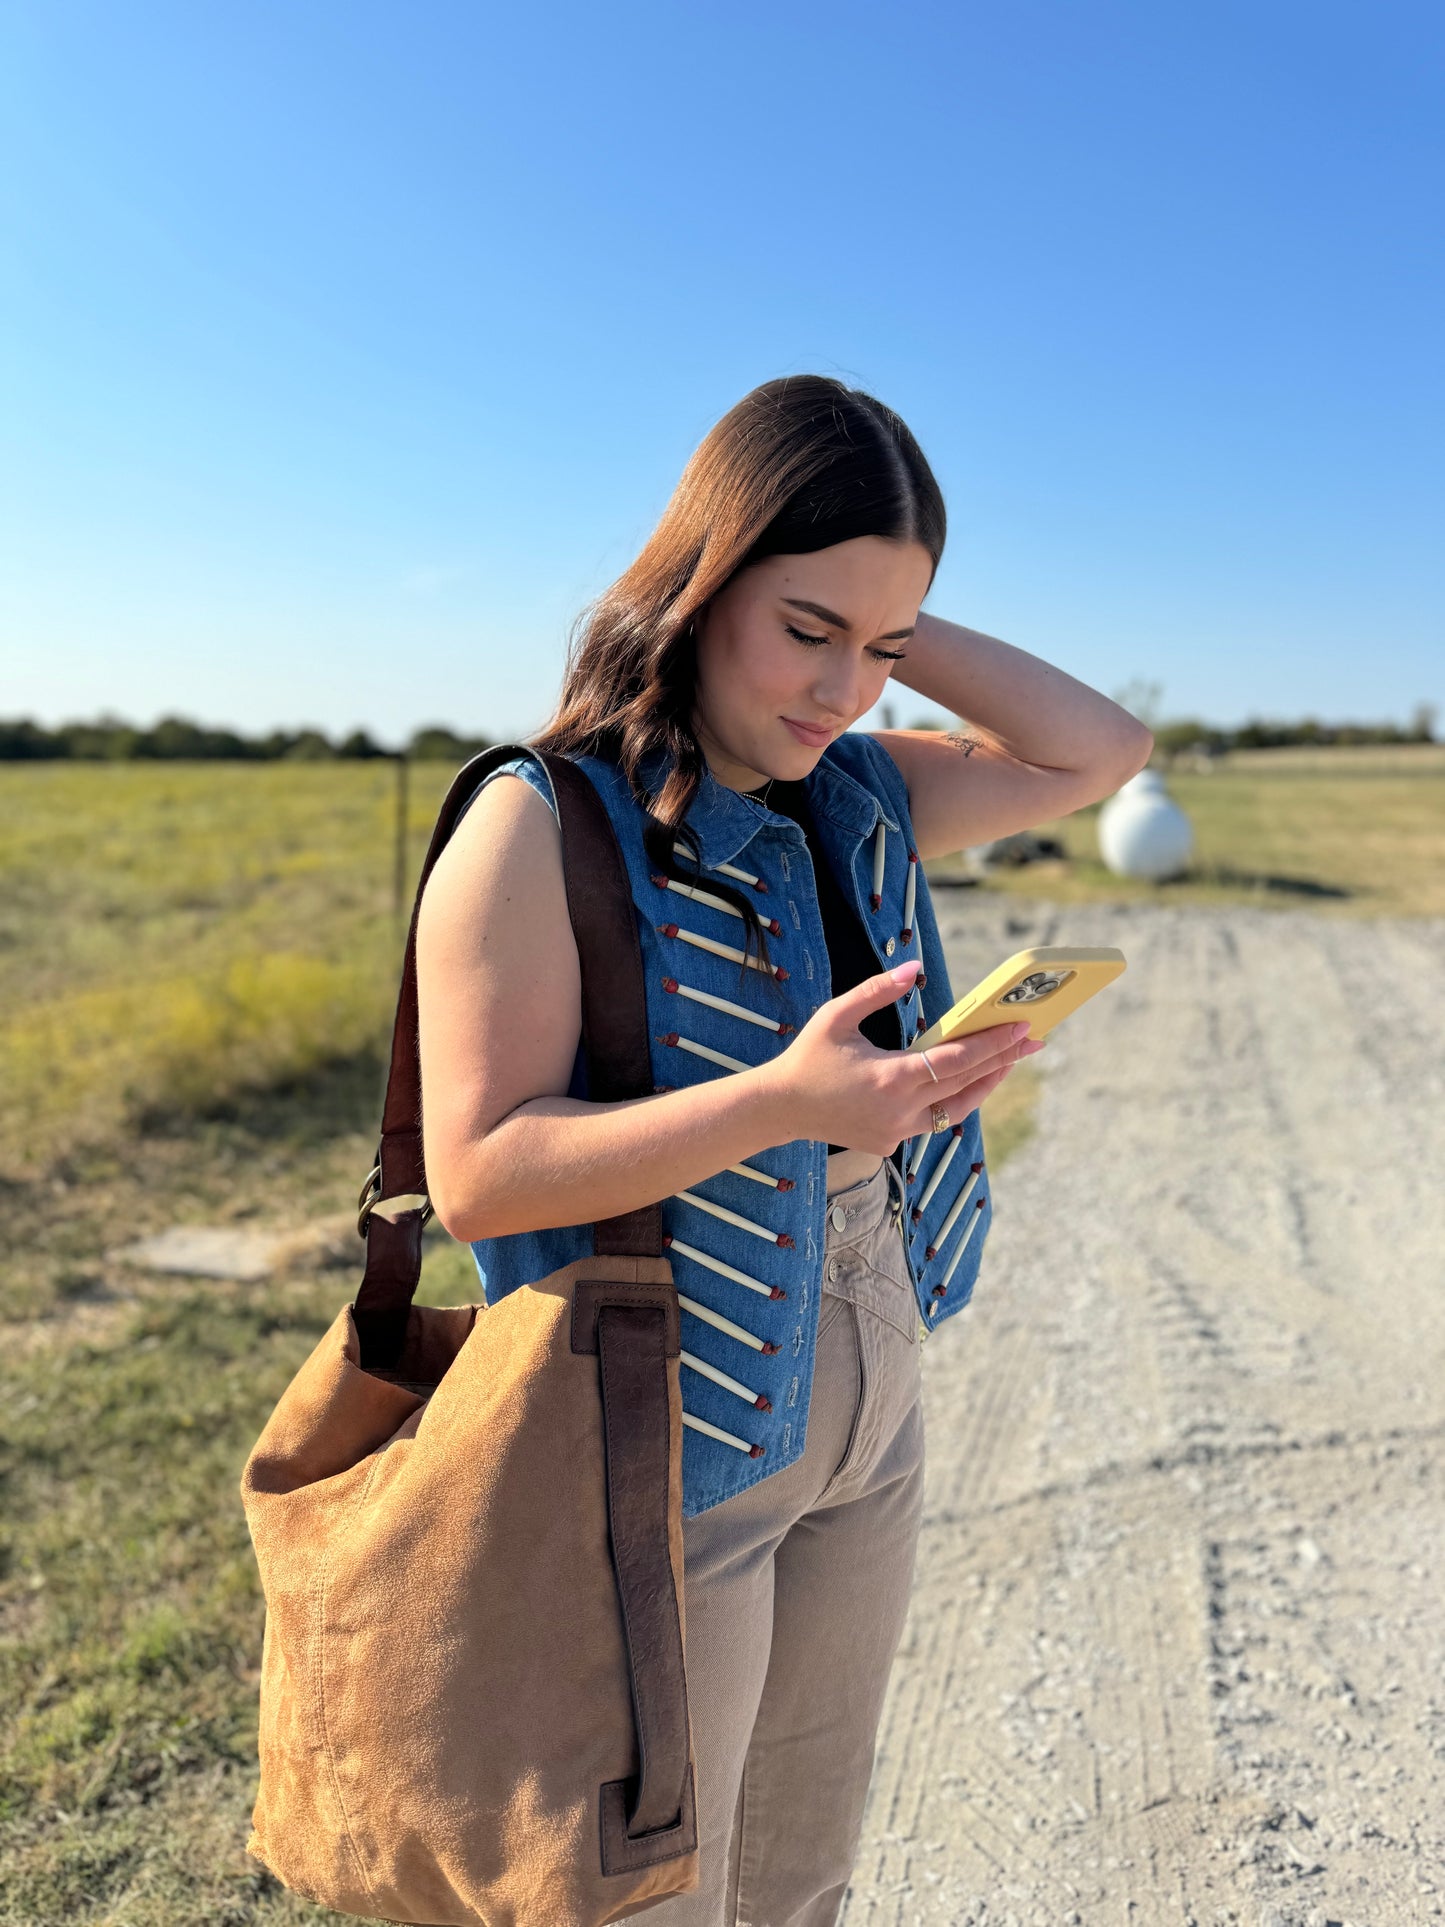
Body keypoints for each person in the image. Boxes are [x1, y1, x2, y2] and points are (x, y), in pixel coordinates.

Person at [415, 374, 1152, 1926]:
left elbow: (1096, 752)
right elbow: (479, 1167)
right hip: (663, 1411)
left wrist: (885, 614)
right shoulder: (538, 821)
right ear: (696, 585)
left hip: (870, 1355)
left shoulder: (856, 786)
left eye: (880, 652)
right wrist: (786, 1105)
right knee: (654, 1891)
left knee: (803, 1870)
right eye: (804, 630)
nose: (846, 693)